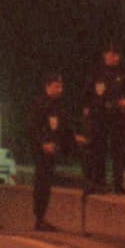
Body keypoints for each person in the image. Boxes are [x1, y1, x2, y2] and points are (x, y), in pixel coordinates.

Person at [88, 45, 125, 192]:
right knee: (99, 149)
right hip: (100, 117)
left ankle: (118, 184)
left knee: (118, 151)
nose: (111, 57)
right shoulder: (97, 73)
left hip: (118, 117)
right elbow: (89, 94)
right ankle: (99, 182)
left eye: (114, 54)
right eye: (108, 53)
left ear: (118, 56)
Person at [28, 72, 70, 231]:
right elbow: (33, 128)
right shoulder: (40, 104)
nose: (60, 89)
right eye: (56, 86)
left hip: (53, 149)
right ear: (48, 86)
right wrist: (42, 144)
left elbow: (63, 128)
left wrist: (75, 139)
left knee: (47, 184)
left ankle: (42, 217)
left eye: (61, 86)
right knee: (41, 183)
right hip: (41, 151)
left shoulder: (59, 106)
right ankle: (39, 218)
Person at [77, 77, 112, 191]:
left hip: (101, 129)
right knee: (90, 154)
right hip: (92, 129)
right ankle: (90, 181)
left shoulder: (105, 102)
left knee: (100, 155)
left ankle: (99, 182)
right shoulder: (90, 104)